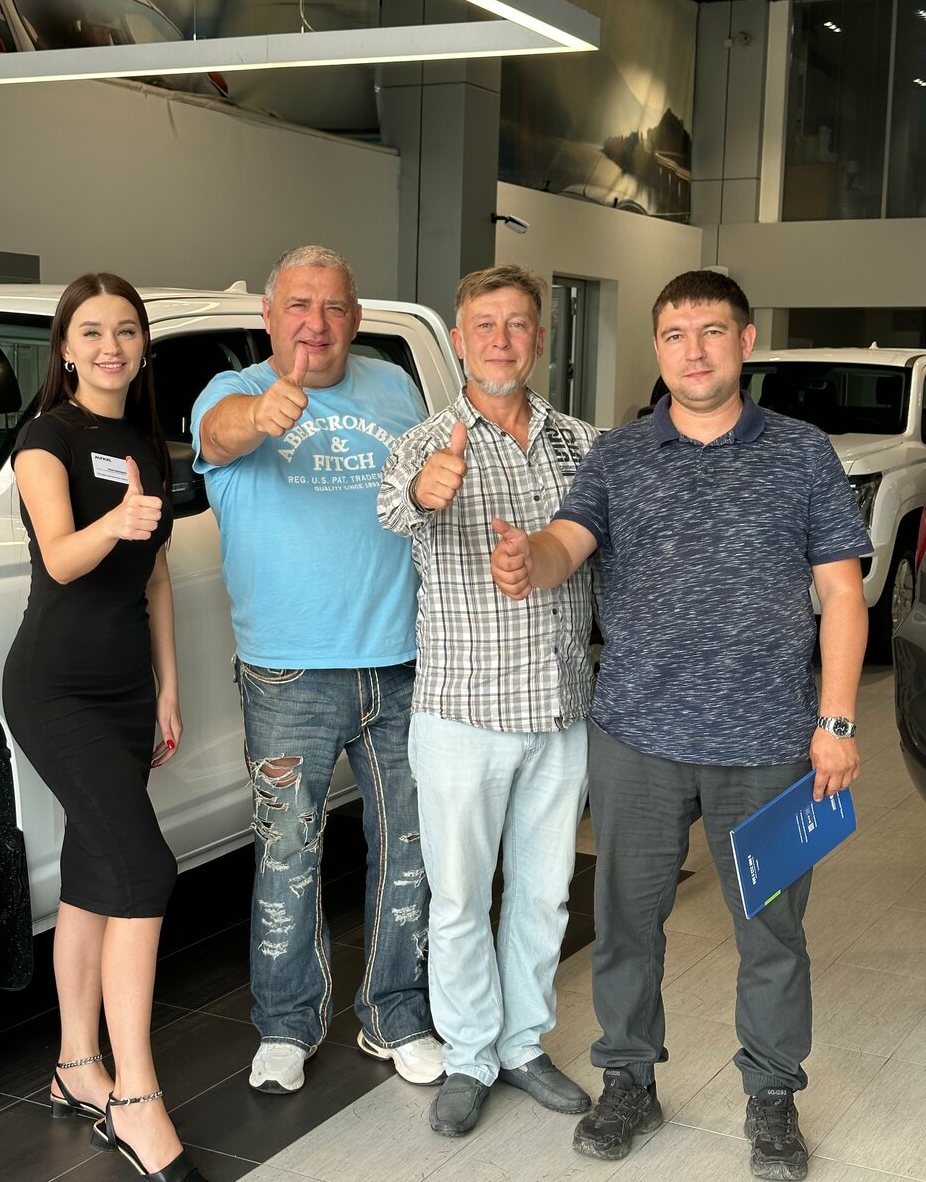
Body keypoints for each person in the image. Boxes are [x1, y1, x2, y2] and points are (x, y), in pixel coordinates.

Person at [490, 270, 870, 1180]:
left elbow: (842, 594)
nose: (692, 352)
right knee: (626, 923)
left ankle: (772, 1097)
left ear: (745, 342)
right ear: (656, 348)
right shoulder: (618, 455)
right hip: (638, 739)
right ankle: (629, 1080)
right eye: (674, 335)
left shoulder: (802, 452)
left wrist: (837, 720)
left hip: (769, 743)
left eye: (711, 332)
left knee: (771, 933)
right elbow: (567, 543)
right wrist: (528, 556)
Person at [191, 244, 442, 1095]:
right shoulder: (230, 393)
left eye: (334, 306)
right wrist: (262, 415)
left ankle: (395, 1013)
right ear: (269, 316)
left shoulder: (395, 386)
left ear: (356, 318)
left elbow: (421, 495)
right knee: (287, 855)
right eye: (299, 305)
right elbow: (218, 437)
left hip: (401, 663)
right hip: (289, 675)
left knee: (409, 849)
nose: (317, 323)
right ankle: (286, 1026)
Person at [377, 264, 598, 1138]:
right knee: (462, 899)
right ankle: (469, 1055)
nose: (501, 340)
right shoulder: (423, 444)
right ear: (460, 339)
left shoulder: (583, 445)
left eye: (517, 324)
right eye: (484, 325)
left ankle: (522, 1045)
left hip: (560, 710)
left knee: (544, 897)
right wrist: (427, 490)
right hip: (462, 713)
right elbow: (398, 508)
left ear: (540, 337)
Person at [2, 274, 204, 1182]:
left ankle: (77, 1065)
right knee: (142, 870)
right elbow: (59, 558)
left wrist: (168, 687)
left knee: (92, 872)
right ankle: (135, 1097)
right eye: (92, 331)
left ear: (143, 346)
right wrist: (117, 521)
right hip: (55, 689)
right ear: (67, 348)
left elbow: (155, 577)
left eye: (126, 330)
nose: (111, 346)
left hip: (125, 693)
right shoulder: (46, 439)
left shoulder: (145, 445)